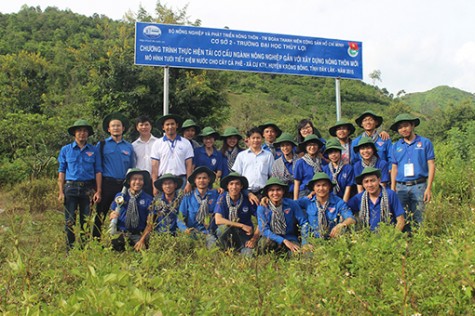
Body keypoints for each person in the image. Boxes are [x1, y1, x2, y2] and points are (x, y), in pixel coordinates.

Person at [58, 119, 102, 250]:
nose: (82, 134)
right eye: (79, 131)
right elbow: (62, 171)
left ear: (88, 134)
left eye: (85, 131)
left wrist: (98, 190)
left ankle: (84, 248)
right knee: (69, 221)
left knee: (86, 221)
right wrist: (60, 191)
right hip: (70, 187)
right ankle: (69, 249)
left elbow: (98, 171)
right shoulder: (66, 150)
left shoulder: (94, 150)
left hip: (88, 189)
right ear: (74, 133)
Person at [390, 113, 435, 228]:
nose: (403, 129)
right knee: (401, 217)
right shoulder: (395, 146)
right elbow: (394, 168)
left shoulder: (425, 143)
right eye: (400, 127)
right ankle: (405, 242)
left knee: (419, 216)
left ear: (412, 125)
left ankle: (420, 241)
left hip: (419, 185)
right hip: (401, 187)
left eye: (406, 126)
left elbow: (431, 165)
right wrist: (393, 187)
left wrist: (428, 188)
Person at [94, 112, 134, 239]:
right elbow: (98, 168)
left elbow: (131, 168)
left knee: (121, 213)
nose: (116, 128)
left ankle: (119, 240)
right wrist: (98, 189)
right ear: (108, 129)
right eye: (113, 126)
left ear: (123, 128)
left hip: (123, 185)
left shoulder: (129, 146)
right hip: (107, 184)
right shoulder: (102, 145)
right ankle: (96, 240)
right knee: (101, 214)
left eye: (118, 125)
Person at [257, 177, 309, 255]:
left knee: (297, 254)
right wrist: (283, 241)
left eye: (278, 190)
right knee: (264, 243)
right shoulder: (263, 208)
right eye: (271, 190)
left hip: (290, 238)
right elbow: (264, 230)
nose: (275, 193)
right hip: (271, 238)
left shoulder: (292, 204)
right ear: (267, 193)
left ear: (283, 191)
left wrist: (305, 242)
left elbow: (304, 222)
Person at [297, 173, 355, 238]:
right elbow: (291, 205)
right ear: (313, 188)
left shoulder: (338, 202)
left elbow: (351, 219)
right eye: (318, 186)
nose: (321, 188)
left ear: (329, 187)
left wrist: (341, 225)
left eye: (324, 185)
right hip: (313, 240)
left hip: (333, 239)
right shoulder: (307, 201)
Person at [214, 172, 260, 255]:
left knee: (249, 255)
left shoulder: (248, 199)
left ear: (241, 186)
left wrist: (254, 239)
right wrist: (241, 225)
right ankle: (226, 251)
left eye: (237, 184)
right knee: (221, 229)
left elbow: (261, 220)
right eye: (231, 184)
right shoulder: (222, 198)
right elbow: (218, 220)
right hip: (229, 233)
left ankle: (240, 250)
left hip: (244, 235)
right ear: (227, 186)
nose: (234, 187)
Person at [347, 167, 405, 232]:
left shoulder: (390, 195)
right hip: (367, 237)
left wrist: (392, 238)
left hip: (388, 235)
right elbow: (345, 210)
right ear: (362, 184)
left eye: (373, 180)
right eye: (366, 182)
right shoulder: (358, 198)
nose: (370, 185)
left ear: (379, 180)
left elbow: (401, 221)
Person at [109, 168, 154, 251]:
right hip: (121, 233)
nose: (137, 182)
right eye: (134, 179)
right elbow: (112, 212)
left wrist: (142, 241)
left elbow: (150, 224)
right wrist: (111, 215)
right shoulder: (120, 196)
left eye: (140, 179)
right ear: (129, 181)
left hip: (138, 235)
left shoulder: (148, 199)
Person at [150, 114, 194, 195]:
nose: (170, 127)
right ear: (163, 127)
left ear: (176, 125)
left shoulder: (186, 143)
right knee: (162, 206)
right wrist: (154, 186)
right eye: (167, 124)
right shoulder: (157, 143)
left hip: (181, 180)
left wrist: (189, 183)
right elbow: (154, 167)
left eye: (172, 124)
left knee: (181, 206)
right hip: (163, 181)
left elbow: (189, 165)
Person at [179, 167, 219, 247]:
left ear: (209, 180)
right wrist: (185, 229)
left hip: (209, 233)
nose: (201, 181)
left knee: (212, 244)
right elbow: (180, 218)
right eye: (199, 178)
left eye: (204, 178)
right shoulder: (188, 197)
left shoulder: (216, 195)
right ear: (195, 181)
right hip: (192, 233)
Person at [232, 127, 274, 202]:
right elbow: (237, 175)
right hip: (245, 191)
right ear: (248, 139)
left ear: (262, 139)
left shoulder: (268, 155)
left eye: (258, 138)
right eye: (253, 138)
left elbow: (272, 175)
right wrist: (247, 193)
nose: (255, 140)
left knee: (262, 212)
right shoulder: (241, 155)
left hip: (262, 192)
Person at [293, 134, 326, 199]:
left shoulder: (321, 161)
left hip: (320, 191)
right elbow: (297, 183)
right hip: (305, 192)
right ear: (305, 147)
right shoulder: (300, 162)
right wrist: (295, 201)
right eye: (309, 145)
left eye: (314, 145)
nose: (312, 147)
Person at [132, 115, 158, 195]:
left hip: (155, 180)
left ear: (151, 126)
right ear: (137, 127)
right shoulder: (133, 145)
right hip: (139, 182)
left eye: (146, 124)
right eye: (141, 125)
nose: (144, 127)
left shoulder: (158, 143)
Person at [271, 132, 298, 198]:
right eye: (282, 145)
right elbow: (275, 180)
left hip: (299, 193)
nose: (285, 148)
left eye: (287, 145)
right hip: (282, 195)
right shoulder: (276, 163)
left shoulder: (300, 161)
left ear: (292, 146)